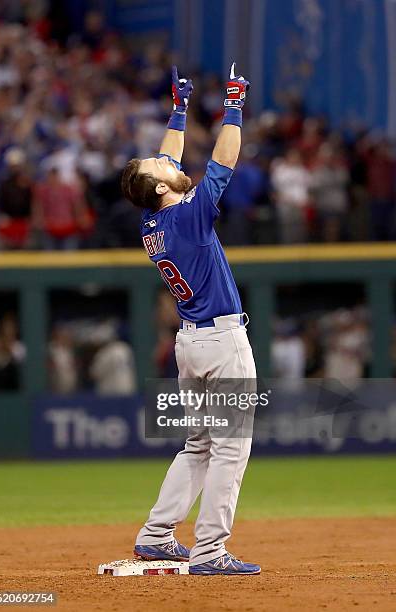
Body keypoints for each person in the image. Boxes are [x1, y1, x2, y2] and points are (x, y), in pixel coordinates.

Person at [121, 65, 260, 575]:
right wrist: (234, 105)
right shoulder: (187, 215)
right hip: (222, 342)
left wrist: (179, 109)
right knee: (230, 448)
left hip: (191, 344)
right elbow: (224, 161)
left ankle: (156, 535)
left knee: (199, 444)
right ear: (159, 189)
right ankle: (210, 550)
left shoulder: (154, 221)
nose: (163, 160)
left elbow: (167, 159)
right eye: (155, 167)